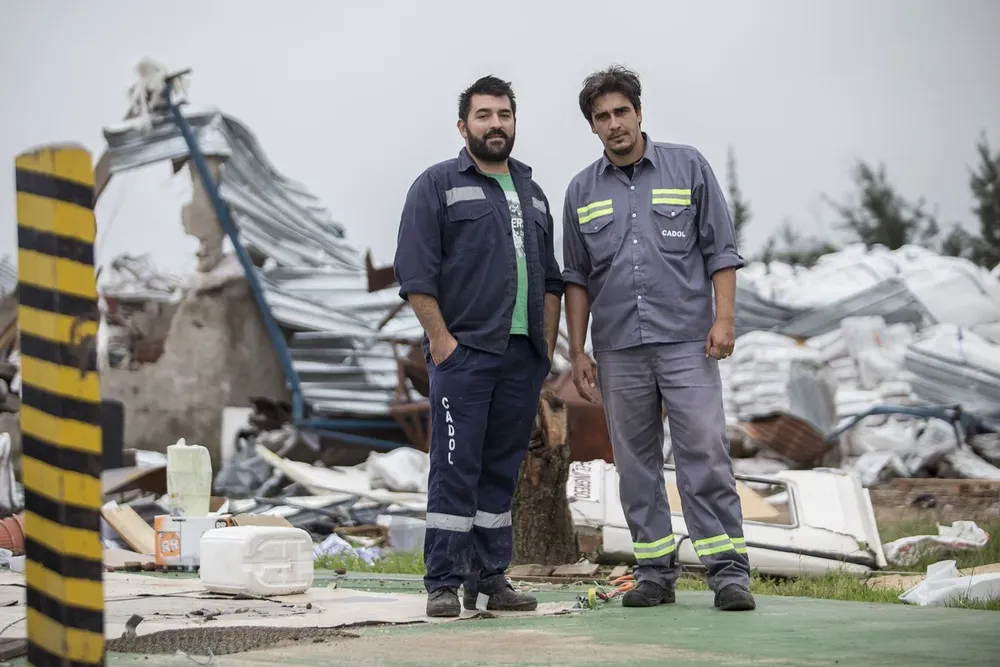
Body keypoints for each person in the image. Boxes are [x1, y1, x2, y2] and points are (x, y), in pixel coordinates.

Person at [561, 65, 756, 612]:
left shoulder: (687, 165)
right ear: (593, 128)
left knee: (705, 451)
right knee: (636, 463)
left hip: (688, 343)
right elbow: (576, 278)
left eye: (622, 112)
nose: (615, 123)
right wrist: (578, 351)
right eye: (603, 117)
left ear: (640, 113)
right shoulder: (581, 190)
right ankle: (654, 572)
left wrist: (725, 320)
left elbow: (720, 250)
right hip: (619, 348)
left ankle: (728, 572)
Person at [393, 75, 564, 618]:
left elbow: (553, 281)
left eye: (505, 115)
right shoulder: (437, 185)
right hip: (464, 355)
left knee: (500, 469)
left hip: (521, 357)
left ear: (515, 122)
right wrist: (442, 343)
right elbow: (415, 274)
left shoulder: (534, 194)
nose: (496, 124)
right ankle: (442, 581)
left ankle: (490, 578)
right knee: (454, 466)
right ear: (463, 125)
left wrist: (546, 346)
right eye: (485, 115)